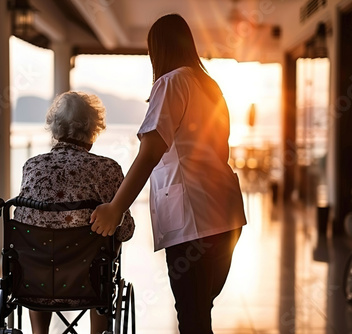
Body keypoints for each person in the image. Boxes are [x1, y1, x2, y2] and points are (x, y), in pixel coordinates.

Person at [89, 14, 247, 334]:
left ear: (157, 50)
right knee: (200, 312)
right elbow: (221, 152)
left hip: (194, 223)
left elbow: (150, 153)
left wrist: (115, 208)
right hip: (226, 217)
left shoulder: (171, 82)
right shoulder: (211, 86)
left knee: (192, 317)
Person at [14, 91, 135, 334]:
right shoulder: (107, 169)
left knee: (36, 250)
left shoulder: (33, 166)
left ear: (55, 129)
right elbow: (125, 230)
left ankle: (39, 332)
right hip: (88, 283)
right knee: (101, 252)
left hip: (35, 281)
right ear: (94, 129)